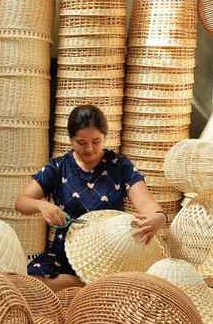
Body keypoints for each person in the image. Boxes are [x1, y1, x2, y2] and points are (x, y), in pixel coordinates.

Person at [15, 104, 167, 292]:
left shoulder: (120, 165)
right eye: (81, 142)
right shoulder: (57, 167)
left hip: (110, 256)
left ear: (105, 136)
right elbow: (22, 202)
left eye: (96, 141)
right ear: (71, 139)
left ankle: (94, 287)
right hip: (65, 252)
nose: (89, 149)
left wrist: (159, 217)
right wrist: (41, 205)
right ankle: (95, 287)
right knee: (31, 280)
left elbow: (146, 203)